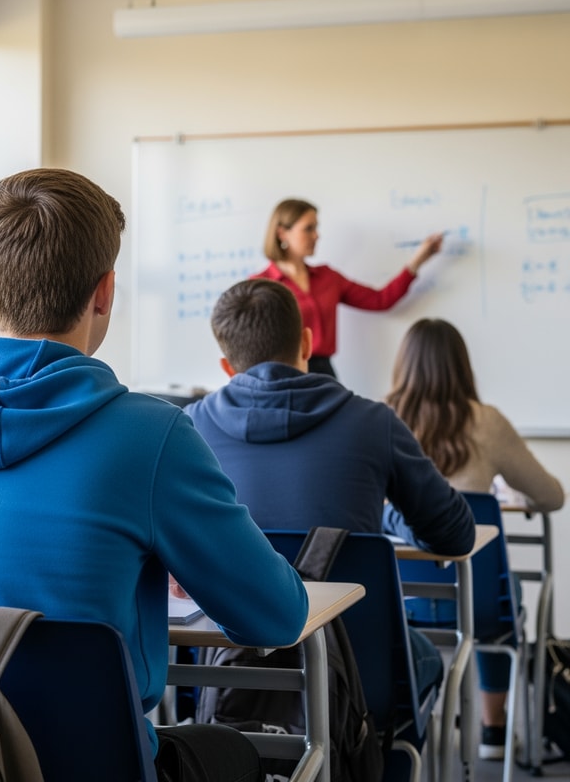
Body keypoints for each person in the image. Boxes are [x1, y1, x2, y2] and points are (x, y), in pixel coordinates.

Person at [0, 168, 308, 782]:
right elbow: (274, 619)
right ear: (105, 291)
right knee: (235, 751)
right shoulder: (151, 435)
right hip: (89, 764)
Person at [184, 278, 476, 700]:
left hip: (222, 676)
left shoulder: (189, 428)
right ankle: (388, 765)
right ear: (307, 342)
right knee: (426, 659)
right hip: (359, 675)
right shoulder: (375, 423)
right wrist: (386, 512)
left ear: (227, 367)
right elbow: (456, 534)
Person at [386, 317, 565, 760]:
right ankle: (492, 731)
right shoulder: (486, 422)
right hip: (478, 603)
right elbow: (552, 496)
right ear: (461, 366)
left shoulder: (380, 419)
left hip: (398, 603)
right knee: (504, 594)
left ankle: (409, 730)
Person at [252, 198, 444, 377]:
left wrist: (417, 261)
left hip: (324, 374)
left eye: (316, 228)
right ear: (282, 233)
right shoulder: (259, 285)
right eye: (308, 228)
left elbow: (381, 300)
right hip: (282, 376)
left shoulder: (328, 277)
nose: (317, 235)